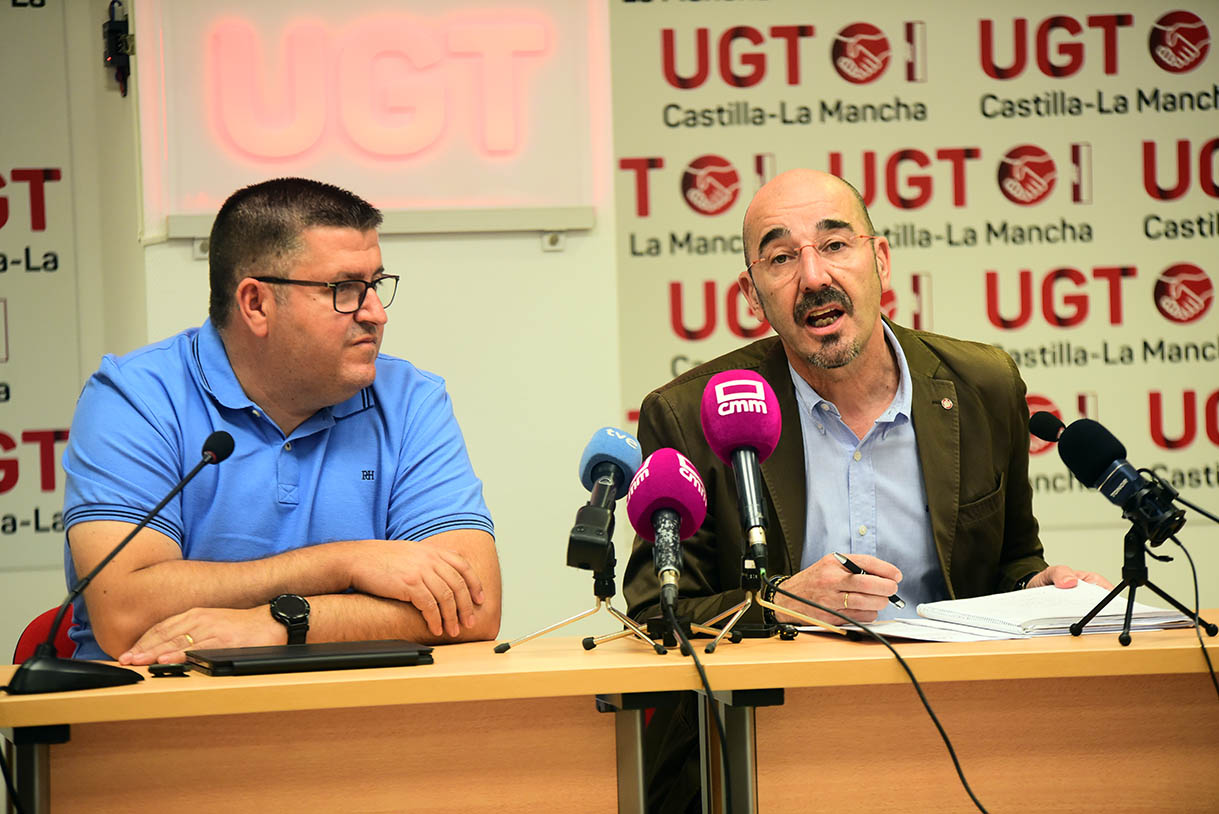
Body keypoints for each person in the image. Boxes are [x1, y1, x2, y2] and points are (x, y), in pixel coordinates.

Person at [622, 168, 1109, 812]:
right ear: (752, 295)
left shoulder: (982, 386)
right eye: (780, 257)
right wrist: (781, 604)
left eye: (834, 244)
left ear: (879, 260)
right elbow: (656, 610)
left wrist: (1034, 588)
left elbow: (1012, 556)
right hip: (771, 745)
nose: (814, 277)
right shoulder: (693, 414)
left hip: (960, 734)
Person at [62, 178, 500, 664]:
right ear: (256, 304)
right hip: (166, 718)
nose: (376, 313)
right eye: (346, 289)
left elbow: (472, 611)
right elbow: (123, 613)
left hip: (357, 720)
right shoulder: (137, 397)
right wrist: (344, 563)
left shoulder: (409, 400)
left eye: (375, 285)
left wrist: (278, 623)